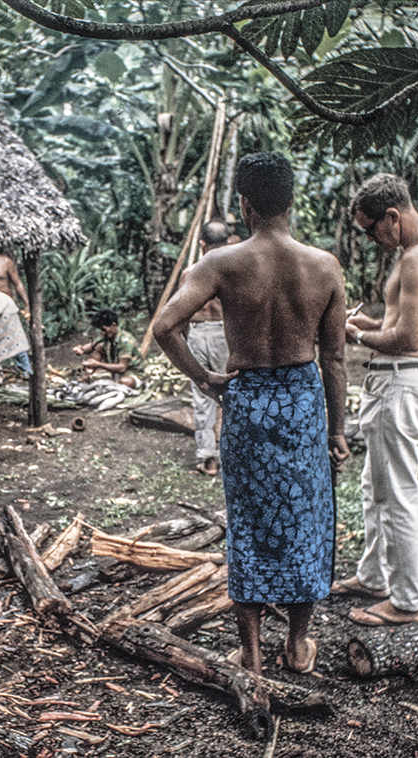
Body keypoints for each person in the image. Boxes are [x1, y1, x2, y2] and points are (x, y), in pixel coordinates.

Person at [153, 152, 349, 676]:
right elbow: (334, 357)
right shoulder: (324, 266)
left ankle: (252, 653)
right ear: (290, 201)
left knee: (249, 523)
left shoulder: (221, 264)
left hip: (247, 400)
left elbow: (165, 327)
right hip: (303, 402)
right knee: (306, 520)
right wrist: (338, 429)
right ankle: (299, 642)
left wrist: (204, 378)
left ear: (245, 204)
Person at [333, 173, 418, 626]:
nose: (371, 239)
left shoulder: (416, 259)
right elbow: (417, 325)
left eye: (371, 229)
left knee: (399, 493)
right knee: (376, 486)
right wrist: (369, 322)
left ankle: (407, 602)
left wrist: (355, 333)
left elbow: (407, 338)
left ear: (393, 216)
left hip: (403, 383)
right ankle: (373, 575)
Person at [182, 219, 232, 476]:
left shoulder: (190, 274)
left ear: (202, 244)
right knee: (231, 391)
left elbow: (179, 315)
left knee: (202, 395)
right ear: (227, 243)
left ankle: (208, 457)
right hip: (224, 333)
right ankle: (228, 453)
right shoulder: (233, 272)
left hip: (197, 332)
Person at [71, 309, 144, 388]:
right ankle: (88, 374)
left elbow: (122, 367)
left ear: (113, 325)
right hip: (116, 373)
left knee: (126, 382)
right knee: (98, 347)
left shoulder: (126, 340)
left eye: (103, 329)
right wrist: (81, 349)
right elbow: (91, 346)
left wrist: (98, 364)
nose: (102, 332)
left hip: (131, 373)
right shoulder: (106, 335)